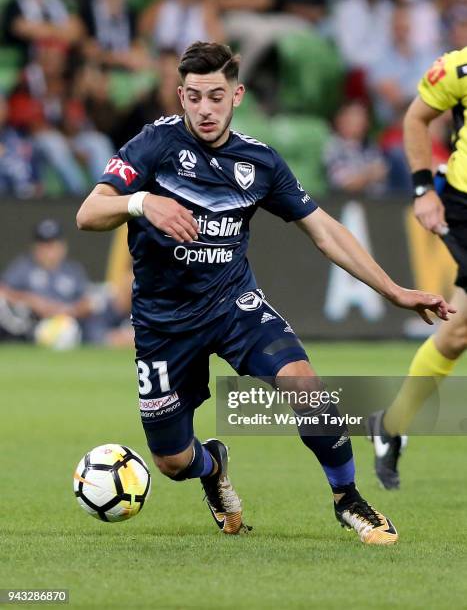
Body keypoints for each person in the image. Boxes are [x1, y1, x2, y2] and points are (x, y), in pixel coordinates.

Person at [76, 42, 453, 544]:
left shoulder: (260, 161)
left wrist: (393, 290)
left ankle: (348, 499)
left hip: (234, 305)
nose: (204, 109)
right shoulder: (153, 146)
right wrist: (142, 202)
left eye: (216, 96)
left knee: (307, 387)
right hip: (162, 322)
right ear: (180, 96)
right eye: (193, 97)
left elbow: (324, 230)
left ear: (238, 95)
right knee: (172, 461)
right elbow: (88, 213)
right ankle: (212, 467)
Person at [368, 46, 467, 489]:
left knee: (458, 331)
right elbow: (415, 119)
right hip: (464, 203)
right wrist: (424, 189)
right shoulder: (458, 68)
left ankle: (391, 423)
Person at [0, 219, 92, 341]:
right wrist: (31, 301)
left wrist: (66, 310)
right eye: (43, 245)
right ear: (35, 247)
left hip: (67, 326)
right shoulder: (23, 268)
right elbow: (3, 291)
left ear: (63, 246)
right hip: (29, 328)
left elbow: (88, 304)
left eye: (52, 244)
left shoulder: (73, 271)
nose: (48, 251)